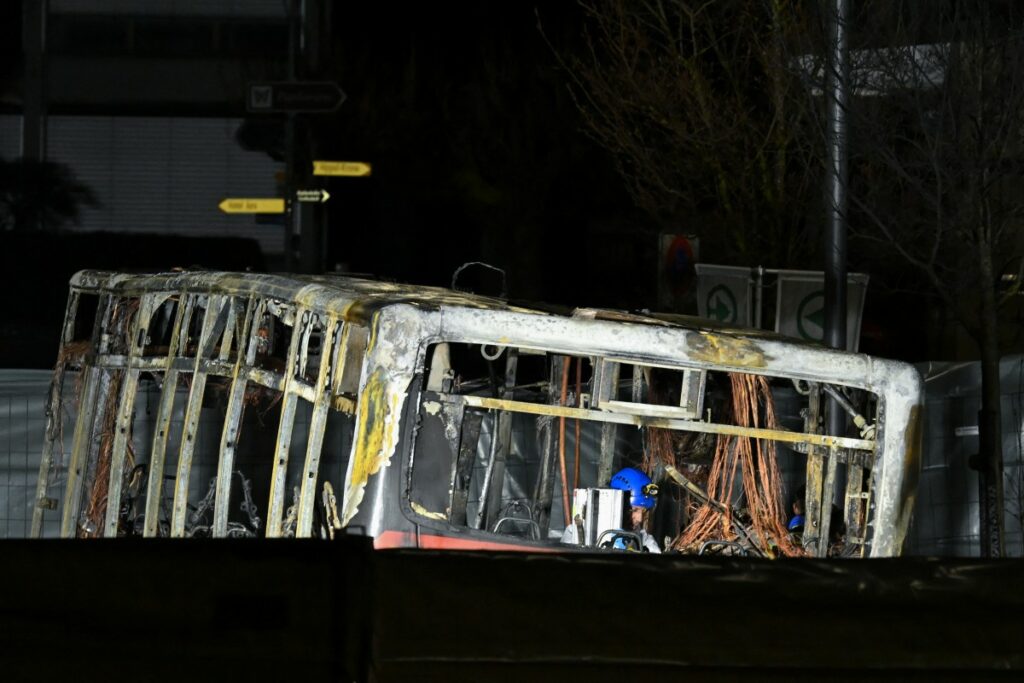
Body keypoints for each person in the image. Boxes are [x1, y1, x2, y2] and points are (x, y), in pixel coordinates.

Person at [561, 467, 661, 553]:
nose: (640, 519)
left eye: (644, 511)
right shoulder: (575, 534)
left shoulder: (645, 542)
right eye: (634, 510)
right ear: (618, 505)